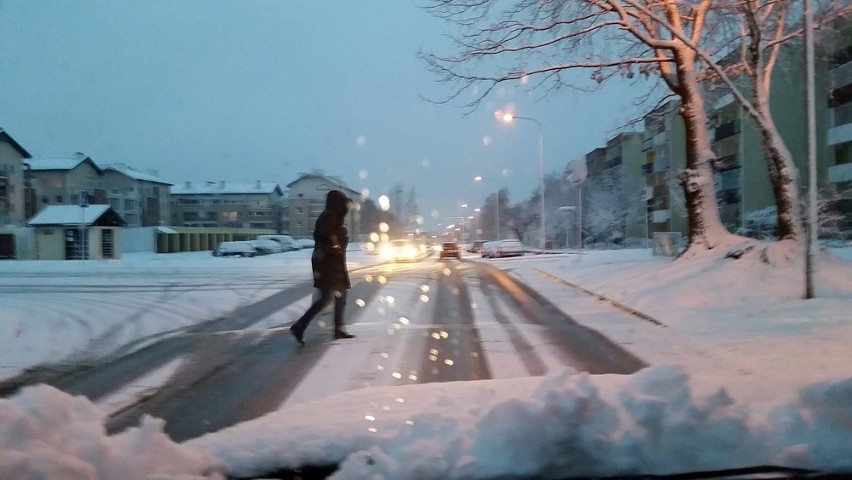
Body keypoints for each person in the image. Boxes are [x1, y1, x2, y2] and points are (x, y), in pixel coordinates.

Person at [289, 189, 356, 345]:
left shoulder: (332, 216)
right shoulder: (330, 217)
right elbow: (327, 239)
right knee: (331, 297)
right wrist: (336, 247)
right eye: (343, 202)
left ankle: (305, 326)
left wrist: (336, 247)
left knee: (333, 297)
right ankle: (302, 326)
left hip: (330, 262)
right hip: (328, 263)